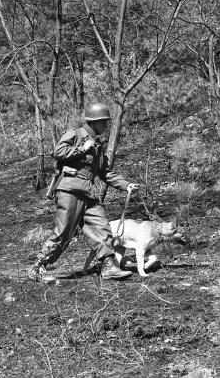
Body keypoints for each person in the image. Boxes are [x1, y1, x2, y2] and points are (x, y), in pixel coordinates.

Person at [28, 103, 140, 282]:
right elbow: (58, 151)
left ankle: (109, 266)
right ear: (93, 122)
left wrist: (125, 185)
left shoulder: (96, 143)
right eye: (103, 121)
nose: (105, 125)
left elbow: (104, 172)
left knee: (101, 226)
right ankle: (38, 266)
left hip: (89, 193)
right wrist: (82, 148)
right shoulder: (76, 134)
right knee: (64, 231)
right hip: (70, 190)